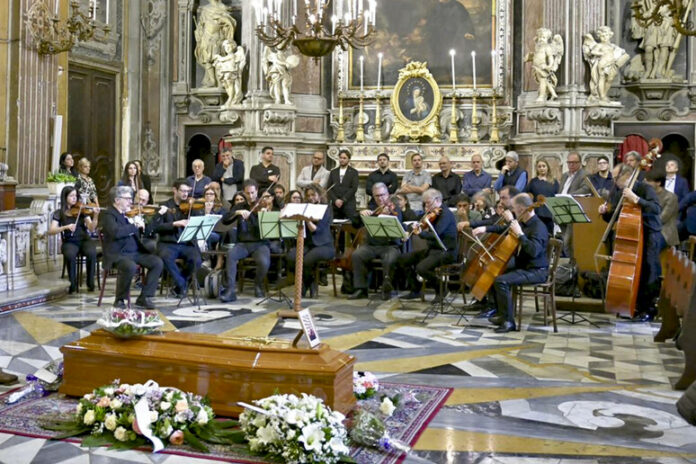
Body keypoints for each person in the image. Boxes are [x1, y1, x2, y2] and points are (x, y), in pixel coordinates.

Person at [473, 193, 549, 333]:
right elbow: (504, 229)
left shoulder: (538, 227)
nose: (512, 211)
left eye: (514, 208)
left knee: (501, 281)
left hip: (536, 270)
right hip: (524, 266)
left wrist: (520, 234)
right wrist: (485, 228)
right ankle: (501, 314)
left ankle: (509, 322)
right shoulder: (523, 222)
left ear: (521, 208)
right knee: (494, 272)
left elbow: (533, 251)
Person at [599, 164, 664, 321]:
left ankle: (649, 309)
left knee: (648, 271)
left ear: (627, 176)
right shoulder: (620, 193)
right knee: (635, 273)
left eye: (616, 178)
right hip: (632, 234)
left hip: (649, 233)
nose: (614, 181)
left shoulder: (644, 188)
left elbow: (656, 208)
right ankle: (634, 305)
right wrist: (604, 213)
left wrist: (636, 199)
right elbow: (616, 216)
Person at [100, 186, 163, 309]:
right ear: (117, 200)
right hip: (118, 254)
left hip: (135, 252)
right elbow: (116, 232)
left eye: (130, 198)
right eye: (127, 199)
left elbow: (139, 234)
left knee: (157, 262)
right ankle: (120, 300)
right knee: (130, 266)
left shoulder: (128, 214)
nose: (131, 201)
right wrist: (134, 225)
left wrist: (140, 225)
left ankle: (144, 297)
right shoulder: (108, 214)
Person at [399, 189, 458, 302]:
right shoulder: (432, 213)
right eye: (425, 203)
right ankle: (415, 289)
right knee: (403, 259)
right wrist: (414, 226)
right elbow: (420, 224)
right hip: (433, 250)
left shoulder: (446, 214)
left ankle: (442, 289)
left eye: (428, 203)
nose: (426, 206)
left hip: (446, 251)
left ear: (437, 200)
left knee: (422, 268)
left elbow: (436, 234)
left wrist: (421, 233)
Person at [348, 183, 402, 300]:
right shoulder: (372, 208)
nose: (380, 198)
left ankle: (387, 289)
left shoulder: (395, 208)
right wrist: (360, 214)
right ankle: (361, 289)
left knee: (389, 258)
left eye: (383, 195)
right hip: (371, 246)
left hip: (390, 246)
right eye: (377, 196)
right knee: (357, 255)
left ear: (388, 194)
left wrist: (389, 216)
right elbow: (355, 223)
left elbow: (399, 226)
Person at [219, 180, 271, 302]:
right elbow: (225, 220)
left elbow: (268, 228)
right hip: (243, 243)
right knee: (231, 255)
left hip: (260, 243)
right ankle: (230, 290)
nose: (251, 196)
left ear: (257, 191)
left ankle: (257, 284)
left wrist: (265, 216)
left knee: (263, 262)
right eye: (248, 193)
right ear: (243, 192)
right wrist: (237, 212)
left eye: (253, 193)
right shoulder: (239, 206)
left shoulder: (262, 205)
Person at [152, 179, 203, 299]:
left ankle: (180, 284)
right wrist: (175, 223)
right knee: (166, 257)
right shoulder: (164, 206)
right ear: (174, 190)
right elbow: (156, 227)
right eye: (183, 191)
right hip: (168, 243)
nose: (185, 194)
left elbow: (198, 223)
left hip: (186, 243)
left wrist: (196, 214)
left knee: (197, 260)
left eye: (187, 191)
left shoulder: (191, 207)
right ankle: (182, 284)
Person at [286, 185, 335, 299]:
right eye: (308, 195)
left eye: (313, 195)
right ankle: (309, 282)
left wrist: (306, 219)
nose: (310, 197)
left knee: (307, 260)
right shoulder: (305, 207)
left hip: (325, 245)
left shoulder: (326, 208)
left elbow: (316, 230)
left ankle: (307, 285)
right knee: (291, 257)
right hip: (308, 244)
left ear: (319, 195)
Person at [48, 186, 97, 293]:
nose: (74, 198)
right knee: (70, 255)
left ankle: (90, 283)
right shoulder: (59, 213)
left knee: (92, 252)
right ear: (65, 197)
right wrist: (65, 227)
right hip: (69, 241)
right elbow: (51, 231)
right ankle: (72, 284)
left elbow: (91, 228)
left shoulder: (82, 210)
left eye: (76, 196)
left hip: (84, 240)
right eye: (71, 196)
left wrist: (96, 216)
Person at [194, 0, 237, 87]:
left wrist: (224, 20)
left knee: (216, 57)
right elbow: (201, 24)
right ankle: (212, 80)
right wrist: (198, 31)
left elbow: (230, 22)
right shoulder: (205, 9)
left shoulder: (223, 7)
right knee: (206, 57)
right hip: (206, 36)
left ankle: (218, 80)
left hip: (217, 37)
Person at [582, 26, 629, 104]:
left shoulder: (612, 46)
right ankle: (602, 96)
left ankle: (604, 93)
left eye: (606, 35)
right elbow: (593, 52)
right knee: (602, 78)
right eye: (602, 36)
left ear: (610, 35)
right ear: (599, 36)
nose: (604, 37)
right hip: (603, 63)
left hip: (611, 63)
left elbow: (621, 53)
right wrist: (602, 53)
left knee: (610, 79)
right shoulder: (599, 45)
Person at [645, 169, 679, 249]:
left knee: (651, 243)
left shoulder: (671, 197)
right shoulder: (647, 195)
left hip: (664, 232)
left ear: (658, 183)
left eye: (649, 181)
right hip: (649, 229)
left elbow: (661, 219)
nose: (645, 183)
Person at [526, 158, 559, 236]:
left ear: (547, 167)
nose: (542, 168)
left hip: (549, 214)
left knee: (549, 236)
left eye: (544, 166)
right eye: (539, 166)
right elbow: (525, 193)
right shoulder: (533, 181)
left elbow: (557, 196)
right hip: (537, 213)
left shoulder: (553, 181)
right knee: (537, 234)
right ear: (537, 169)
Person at [327, 149, 359, 223]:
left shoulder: (354, 172)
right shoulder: (333, 172)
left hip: (348, 204)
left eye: (344, 158)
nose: (342, 160)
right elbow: (329, 188)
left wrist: (343, 200)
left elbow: (354, 188)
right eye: (341, 158)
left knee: (350, 226)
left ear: (348, 159)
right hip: (335, 205)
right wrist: (335, 200)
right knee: (336, 226)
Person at [212, 39, 246, 107]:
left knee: (230, 85)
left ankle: (231, 98)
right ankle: (230, 97)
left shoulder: (232, 55)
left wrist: (218, 57)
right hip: (226, 73)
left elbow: (223, 59)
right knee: (227, 85)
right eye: (225, 47)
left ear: (233, 47)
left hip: (231, 72)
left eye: (228, 47)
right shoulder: (227, 56)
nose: (227, 49)